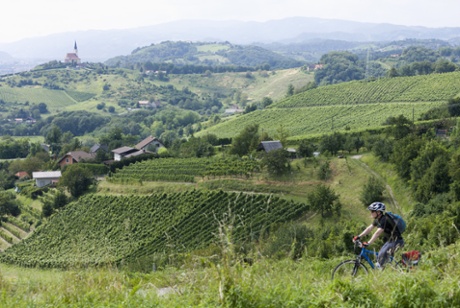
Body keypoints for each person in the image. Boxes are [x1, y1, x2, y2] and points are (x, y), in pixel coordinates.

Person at [353, 202, 404, 268]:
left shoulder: (384, 219)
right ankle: (384, 268)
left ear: (378, 212)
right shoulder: (378, 220)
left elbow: (377, 233)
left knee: (381, 255)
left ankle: (381, 270)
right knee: (380, 255)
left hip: (397, 241)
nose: (370, 213)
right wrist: (359, 236)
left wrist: (368, 243)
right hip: (390, 241)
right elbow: (369, 228)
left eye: (372, 211)